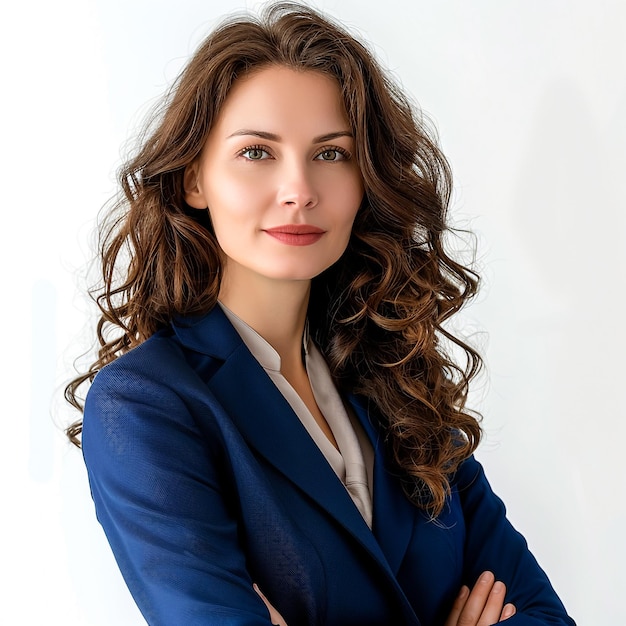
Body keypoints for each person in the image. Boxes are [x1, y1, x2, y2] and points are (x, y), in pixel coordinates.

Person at [65, 2, 576, 625]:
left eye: (331, 154)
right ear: (194, 180)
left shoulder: (400, 377)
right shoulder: (147, 405)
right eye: (256, 152)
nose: (299, 188)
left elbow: (545, 616)